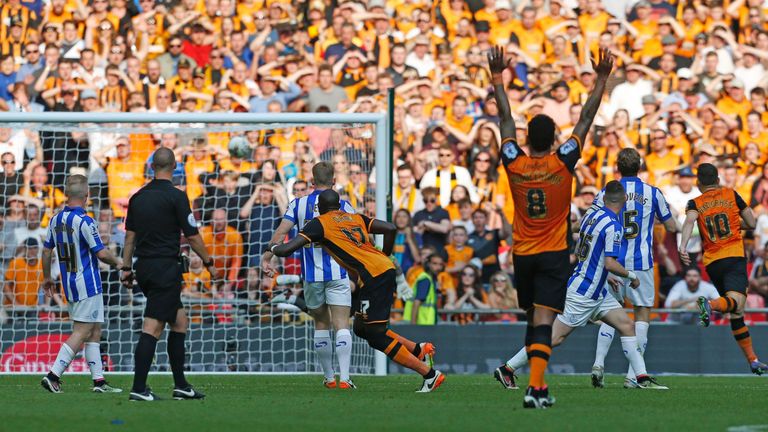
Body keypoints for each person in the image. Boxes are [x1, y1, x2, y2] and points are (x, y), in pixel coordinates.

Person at [489, 45, 614, 408]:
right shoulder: (564, 162)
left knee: (534, 320)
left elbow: (505, 118)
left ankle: (538, 388)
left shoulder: (514, 162)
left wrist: (498, 77)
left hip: (522, 254)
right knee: (544, 321)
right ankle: (535, 388)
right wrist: (602, 79)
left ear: (526, 139)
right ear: (555, 137)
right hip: (554, 253)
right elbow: (586, 119)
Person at [500, 181, 668, 395]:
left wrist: (604, 277)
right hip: (584, 293)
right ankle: (508, 368)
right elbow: (609, 263)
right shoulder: (614, 226)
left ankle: (641, 377)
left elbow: (584, 251)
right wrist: (631, 276)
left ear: (604, 198)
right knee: (554, 338)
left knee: (627, 326)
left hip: (596, 288)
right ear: (624, 200)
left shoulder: (590, 216)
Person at [270, 189, 444, 393]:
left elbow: (286, 249)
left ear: (319, 208)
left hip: (374, 277)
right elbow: (390, 228)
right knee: (361, 328)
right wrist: (384, 254)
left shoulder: (320, 223)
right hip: (376, 272)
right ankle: (418, 349)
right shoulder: (355, 218)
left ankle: (429, 374)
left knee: (377, 335)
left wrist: (271, 248)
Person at [120, 148, 219, 401]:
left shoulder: (138, 197)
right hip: (165, 268)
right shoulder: (177, 196)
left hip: (144, 267)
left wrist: (127, 267)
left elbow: (129, 237)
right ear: (175, 166)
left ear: (152, 166)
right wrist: (209, 262)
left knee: (180, 321)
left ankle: (181, 386)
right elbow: (193, 236)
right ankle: (139, 388)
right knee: (152, 327)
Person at [260, 161, 356, 389]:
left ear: (312, 182)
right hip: (338, 271)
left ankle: (329, 378)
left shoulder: (298, 204)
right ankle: (345, 378)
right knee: (342, 323)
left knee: (321, 323)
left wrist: (267, 257)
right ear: (333, 181)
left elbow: (281, 233)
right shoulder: (345, 205)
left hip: (311, 275)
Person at [590, 148, 679, 389]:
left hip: (612, 261)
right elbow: (671, 226)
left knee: (611, 314)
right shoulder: (652, 192)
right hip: (641, 263)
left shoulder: (606, 192)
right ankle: (633, 376)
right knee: (641, 314)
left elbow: (592, 221)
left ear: (617, 167)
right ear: (639, 166)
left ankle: (599, 363)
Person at [679, 163, 768, 375]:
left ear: (699, 183)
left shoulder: (694, 202)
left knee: (736, 312)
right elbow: (751, 222)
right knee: (737, 303)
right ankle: (709, 304)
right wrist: (737, 225)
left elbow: (689, 222)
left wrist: (682, 246)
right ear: (718, 180)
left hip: (712, 262)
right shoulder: (731, 194)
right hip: (734, 256)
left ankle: (753, 360)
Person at [40, 174, 123, 394]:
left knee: (95, 329)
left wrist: (47, 277)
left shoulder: (55, 219)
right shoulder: (86, 221)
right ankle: (53, 375)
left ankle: (99, 381)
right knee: (83, 330)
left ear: (67, 195)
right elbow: (102, 253)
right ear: (87, 196)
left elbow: (47, 250)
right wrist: (119, 263)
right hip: (88, 283)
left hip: (70, 284)